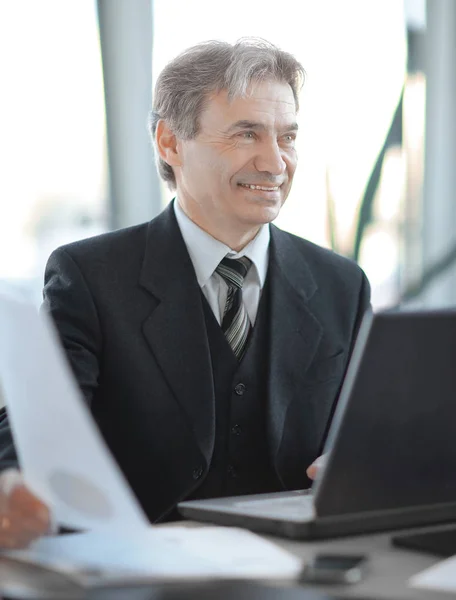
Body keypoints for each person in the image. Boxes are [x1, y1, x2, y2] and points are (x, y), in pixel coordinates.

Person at [0, 38, 370, 549]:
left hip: (300, 566)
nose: (275, 162)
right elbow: (36, 424)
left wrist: (360, 461)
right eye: (247, 134)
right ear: (170, 142)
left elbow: (367, 429)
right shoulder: (89, 275)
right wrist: (11, 483)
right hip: (140, 563)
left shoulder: (341, 284)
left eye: (287, 137)